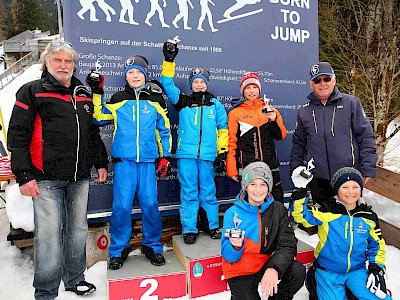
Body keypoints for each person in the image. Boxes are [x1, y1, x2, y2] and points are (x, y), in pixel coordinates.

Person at [7, 40, 109, 299]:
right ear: (47, 63)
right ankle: (46, 291)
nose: (63, 66)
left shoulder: (83, 93)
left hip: (78, 177)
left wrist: (100, 162)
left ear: (74, 65)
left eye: (68, 61)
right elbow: (17, 134)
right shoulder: (32, 91)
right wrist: (24, 175)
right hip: (45, 179)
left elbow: (92, 131)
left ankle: (75, 279)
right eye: (57, 60)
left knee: (77, 231)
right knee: (49, 237)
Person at [87, 54, 172, 269]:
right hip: (124, 162)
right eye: (130, 72)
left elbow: (164, 130)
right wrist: (96, 91)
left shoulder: (155, 101)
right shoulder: (118, 99)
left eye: (138, 72)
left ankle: (152, 245)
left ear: (145, 75)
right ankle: (118, 249)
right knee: (122, 207)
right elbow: (98, 117)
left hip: (147, 163)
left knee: (151, 205)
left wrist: (165, 156)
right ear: (126, 76)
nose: (135, 76)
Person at [160, 40, 229, 244]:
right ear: (191, 84)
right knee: (189, 192)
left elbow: (222, 128)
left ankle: (212, 226)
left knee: (208, 191)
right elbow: (166, 83)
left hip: (208, 155)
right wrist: (169, 60)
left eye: (202, 81)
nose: (199, 84)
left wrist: (222, 151)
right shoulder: (183, 102)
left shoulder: (215, 104)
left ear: (207, 83)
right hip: (186, 155)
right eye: (195, 81)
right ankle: (190, 229)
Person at [290, 166, 392, 300]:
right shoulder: (326, 210)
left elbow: (377, 245)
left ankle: (351, 291)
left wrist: (376, 267)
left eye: (355, 186)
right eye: (345, 187)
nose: (350, 192)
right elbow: (300, 216)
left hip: (357, 271)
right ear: (337, 189)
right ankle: (315, 282)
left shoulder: (368, 216)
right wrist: (300, 190)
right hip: (328, 271)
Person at [290, 62, 378, 205]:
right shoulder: (305, 111)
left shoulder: (351, 103)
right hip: (318, 179)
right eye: (317, 80)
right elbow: (299, 143)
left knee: (348, 222)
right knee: (324, 222)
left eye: (327, 79)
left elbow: (366, 137)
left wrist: (368, 168)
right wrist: (296, 169)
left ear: (334, 80)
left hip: (347, 177)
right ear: (311, 84)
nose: (322, 84)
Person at [221, 161, 306, 300]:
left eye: (263, 184)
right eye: (253, 184)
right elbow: (229, 256)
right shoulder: (232, 213)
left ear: (269, 187)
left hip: (264, 262)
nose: (258, 190)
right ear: (245, 187)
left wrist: (274, 268)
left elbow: (288, 244)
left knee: (297, 271)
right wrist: (235, 247)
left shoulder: (278, 209)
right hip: (239, 268)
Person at [226, 72, 287, 203]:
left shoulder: (270, 109)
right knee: (251, 204)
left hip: (271, 167)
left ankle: (278, 224)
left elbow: (281, 135)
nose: (251, 91)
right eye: (248, 87)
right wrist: (232, 168)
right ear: (243, 91)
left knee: (276, 203)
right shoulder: (235, 113)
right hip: (248, 168)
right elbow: (231, 142)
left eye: (254, 87)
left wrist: (274, 120)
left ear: (259, 89)